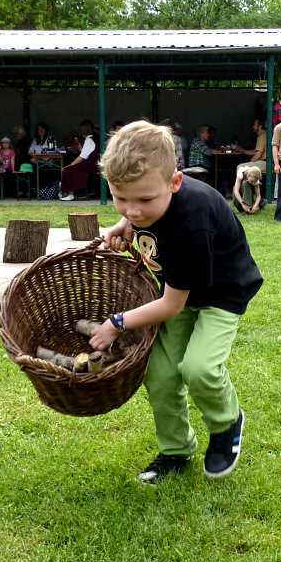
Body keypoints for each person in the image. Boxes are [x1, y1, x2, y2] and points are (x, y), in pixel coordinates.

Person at [89, 120, 262, 484]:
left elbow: (170, 306)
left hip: (219, 293)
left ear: (175, 182)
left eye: (144, 200)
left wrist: (116, 322)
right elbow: (138, 210)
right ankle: (176, 449)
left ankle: (226, 422)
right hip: (181, 289)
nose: (133, 209)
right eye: (121, 198)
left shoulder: (191, 222)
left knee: (198, 367)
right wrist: (125, 224)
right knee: (161, 372)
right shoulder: (148, 201)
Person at [60, 120, 98, 201]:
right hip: (91, 164)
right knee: (72, 170)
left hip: (90, 165)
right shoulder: (91, 139)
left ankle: (70, 194)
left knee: (67, 169)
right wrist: (79, 146)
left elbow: (82, 157)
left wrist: (71, 165)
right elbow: (85, 152)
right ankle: (73, 193)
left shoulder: (89, 140)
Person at [235, 118, 267, 184]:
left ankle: (239, 191)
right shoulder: (262, 135)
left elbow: (257, 155)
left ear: (260, 127)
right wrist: (243, 151)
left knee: (240, 168)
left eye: (254, 125)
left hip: (265, 163)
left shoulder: (262, 135)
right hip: (263, 163)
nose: (253, 127)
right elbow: (256, 151)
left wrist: (249, 164)